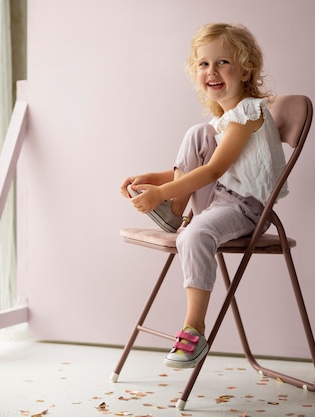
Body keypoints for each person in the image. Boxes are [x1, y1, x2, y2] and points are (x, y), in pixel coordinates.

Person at [119, 23, 288, 368]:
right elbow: (207, 165)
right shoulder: (224, 120)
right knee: (199, 133)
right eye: (203, 64)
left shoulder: (248, 114)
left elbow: (211, 171)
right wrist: (153, 179)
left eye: (223, 62)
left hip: (247, 208)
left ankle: (194, 329)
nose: (212, 71)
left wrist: (161, 191)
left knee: (195, 234)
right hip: (221, 197)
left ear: (246, 68)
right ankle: (175, 210)